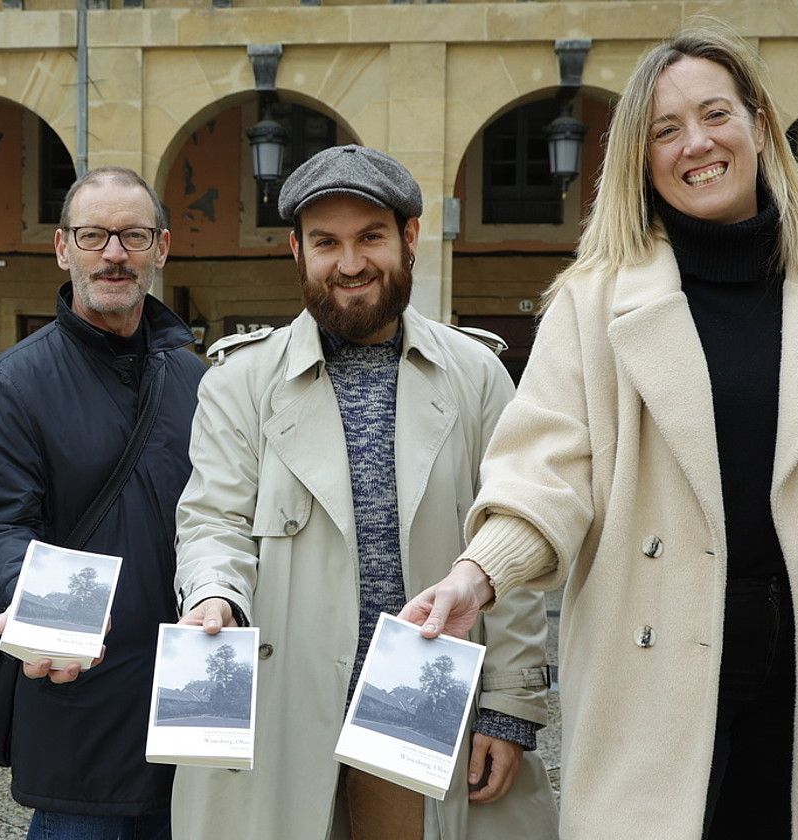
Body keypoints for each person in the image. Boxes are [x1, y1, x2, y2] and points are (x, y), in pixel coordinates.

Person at [401, 23, 798, 840]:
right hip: (652, 677)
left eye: (715, 115)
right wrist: (474, 577)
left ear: (760, 126)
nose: (695, 144)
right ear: (641, 157)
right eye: (665, 130)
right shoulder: (594, 300)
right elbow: (545, 475)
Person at [172, 145, 558, 840]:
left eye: (370, 237)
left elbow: (512, 540)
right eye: (326, 243)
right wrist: (211, 595)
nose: (349, 264)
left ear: (409, 238)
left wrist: (508, 707)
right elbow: (213, 520)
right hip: (282, 706)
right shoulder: (237, 382)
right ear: (296, 251)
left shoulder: (476, 375)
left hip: (421, 712)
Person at [0, 166, 206, 840]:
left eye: (132, 235)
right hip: (76, 687)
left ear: (161, 247)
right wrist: (36, 615)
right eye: (94, 235)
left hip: (184, 697)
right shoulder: (11, 385)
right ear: (63, 248)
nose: (114, 254)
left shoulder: (196, 377)